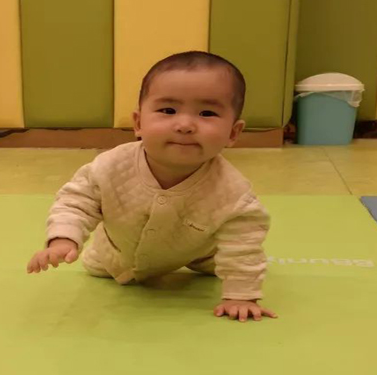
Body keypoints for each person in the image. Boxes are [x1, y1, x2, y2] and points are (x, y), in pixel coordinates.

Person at [27, 51, 276, 322]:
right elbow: (76, 202)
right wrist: (63, 239)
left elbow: (243, 243)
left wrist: (241, 295)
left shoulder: (232, 191)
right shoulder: (110, 166)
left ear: (233, 133)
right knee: (98, 268)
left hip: (201, 252)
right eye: (168, 111)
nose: (185, 125)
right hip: (113, 255)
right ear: (138, 123)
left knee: (218, 263)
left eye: (207, 113)